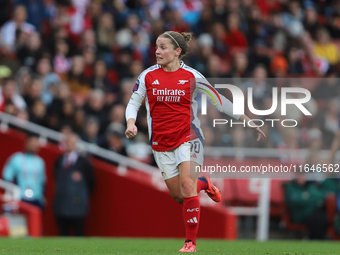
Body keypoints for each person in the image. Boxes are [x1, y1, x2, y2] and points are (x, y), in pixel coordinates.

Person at [125, 31, 265, 252]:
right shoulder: (147, 76)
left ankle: (190, 242)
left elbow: (219, 100)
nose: (157, 51)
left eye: (163, 47)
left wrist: (246, 119)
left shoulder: (192, 76)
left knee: (187, 186)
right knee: (180, 196)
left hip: (189, 137)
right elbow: (133, 103)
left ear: (177, 51)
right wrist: (131, 123)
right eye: (156, 47)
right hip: (161, 143)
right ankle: (205, 182)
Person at [53, 132, 94, 236]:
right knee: (62, 234)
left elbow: (91, 183)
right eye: (67, 142)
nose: (69, 145)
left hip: (78, 205)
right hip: (61, 204)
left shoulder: (83, 163)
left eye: (71, 142)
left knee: (78, 233)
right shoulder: (59, 161)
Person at [2, 133, 46, 210]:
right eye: (31, 142)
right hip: (20, 197)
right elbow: (7, 177)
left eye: (36, 143)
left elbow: (43, 182)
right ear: (26, 143)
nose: (33, 145)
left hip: (36, 198)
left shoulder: (40, 162)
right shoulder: (16, 158)